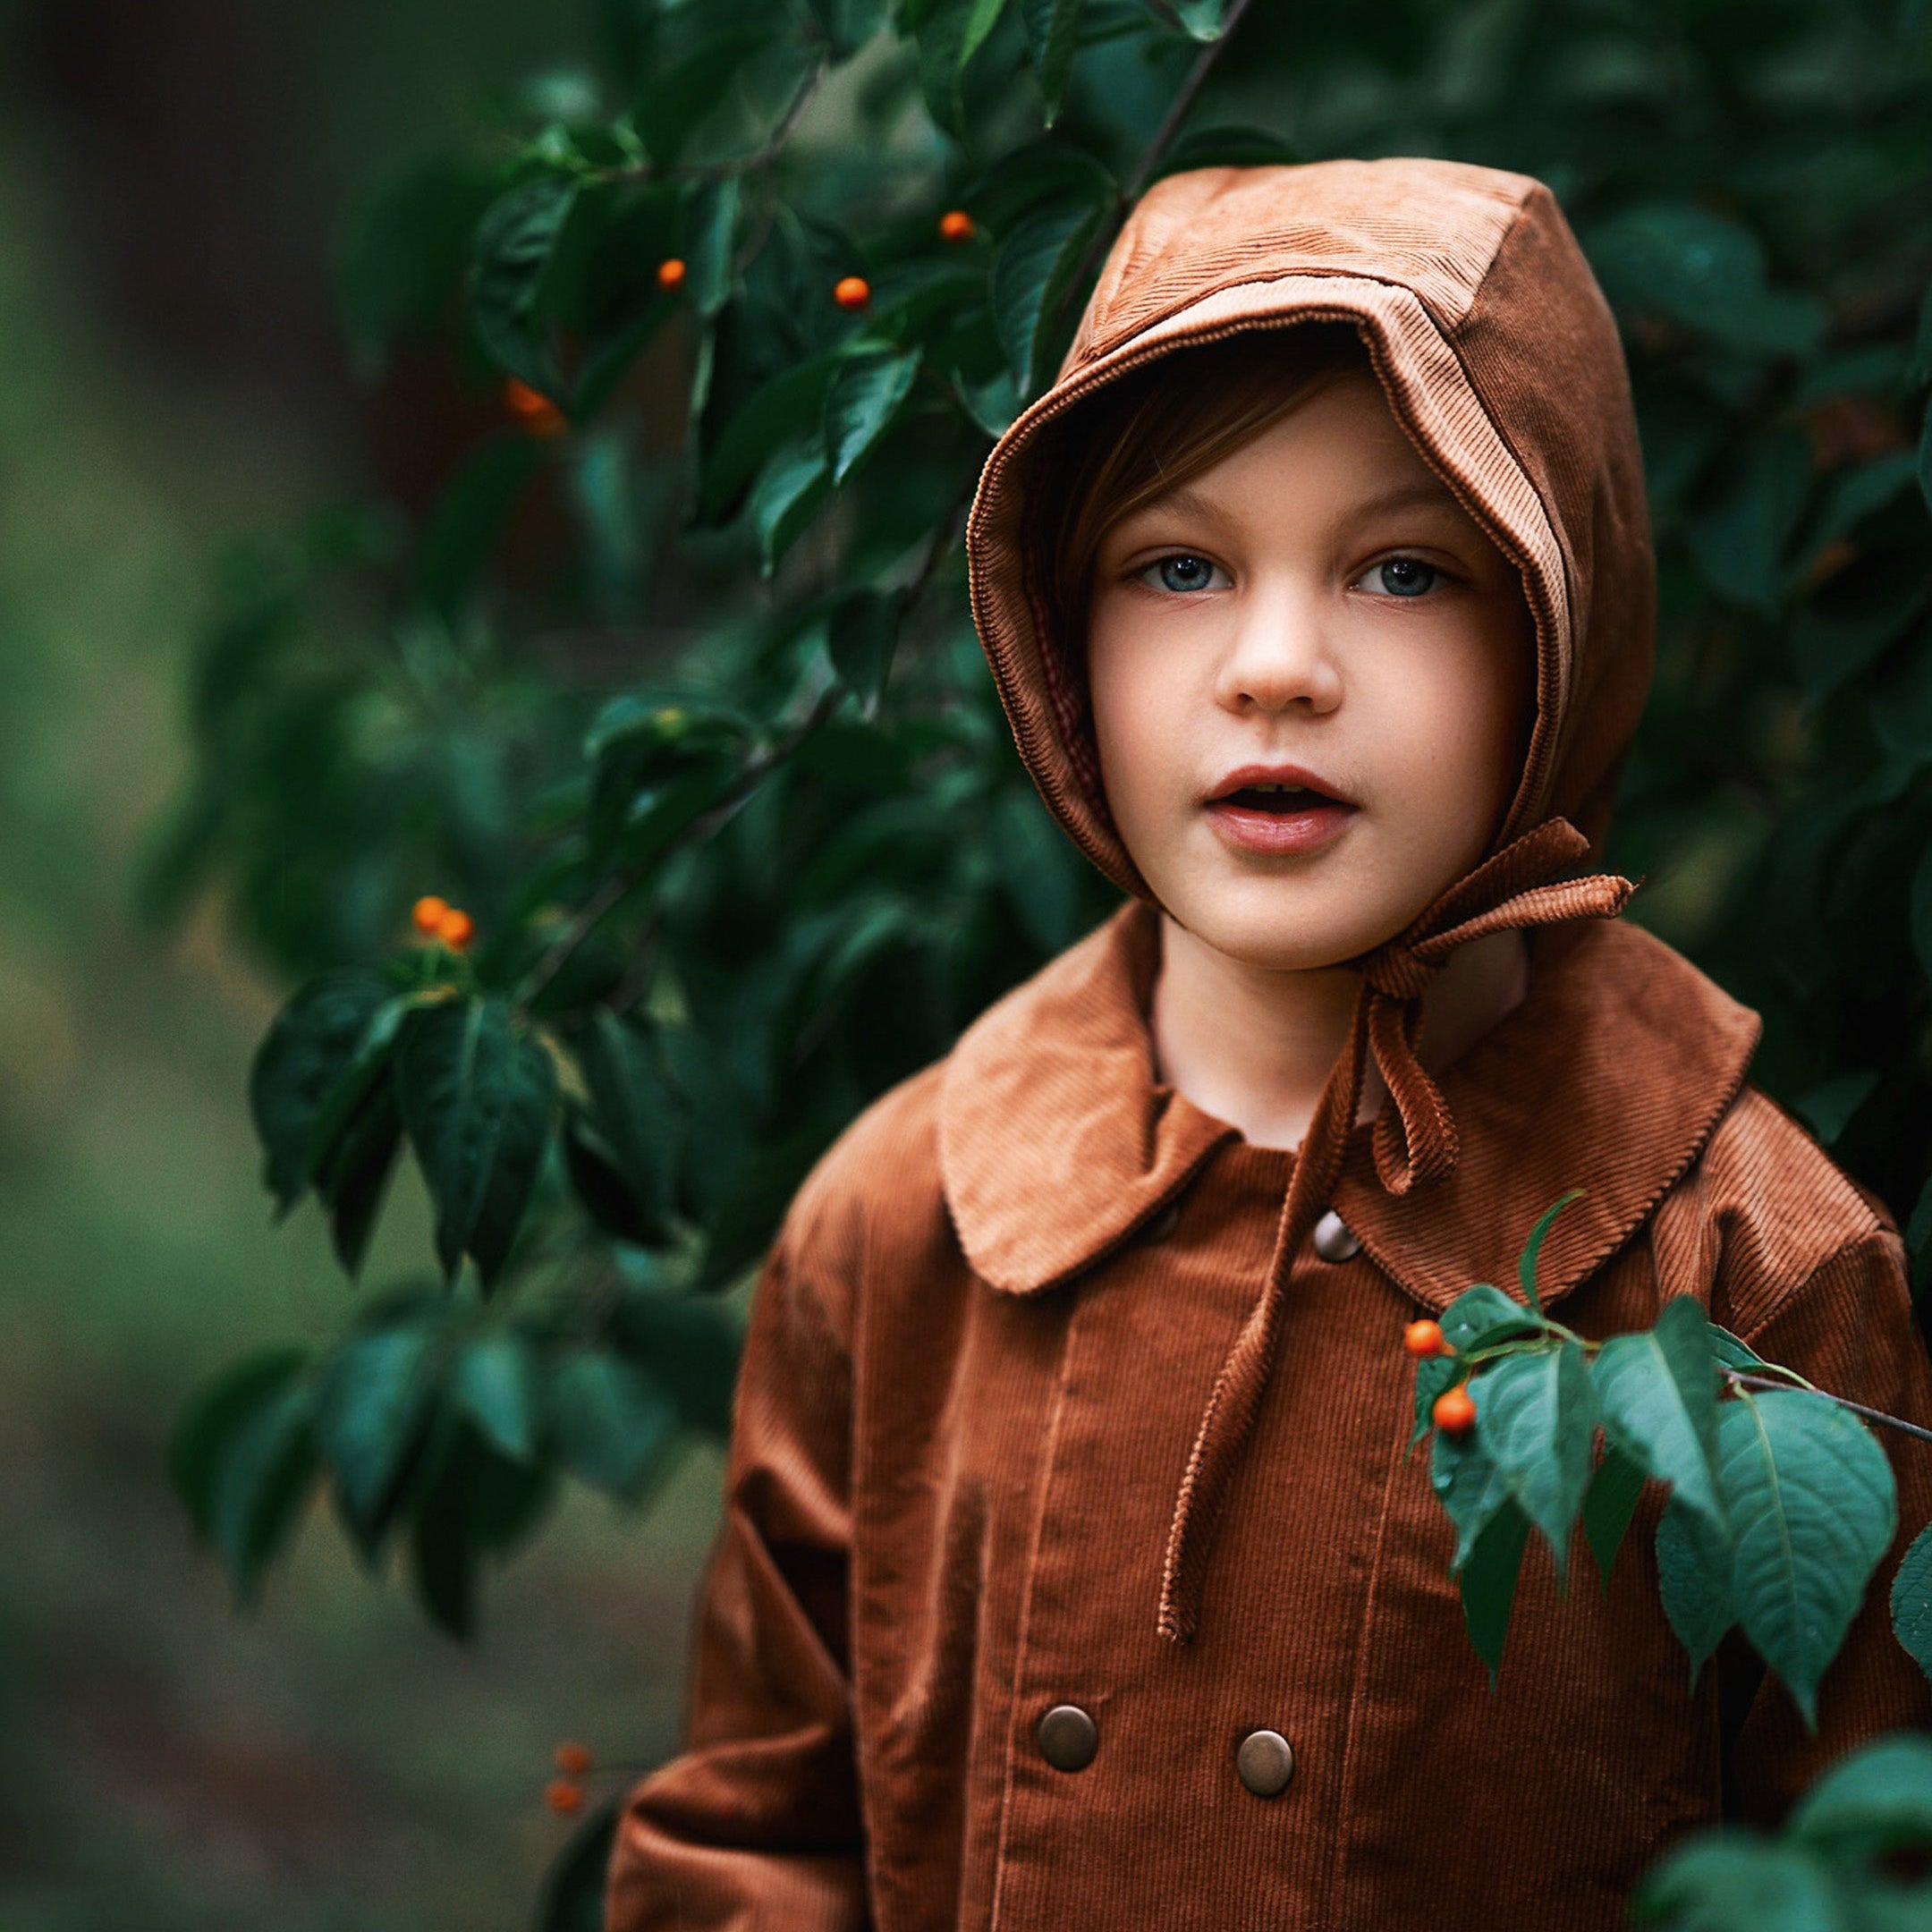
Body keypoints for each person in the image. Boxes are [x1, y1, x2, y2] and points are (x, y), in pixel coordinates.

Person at [605, 157, 1932, 1932]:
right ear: (1059, 636)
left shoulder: (1759, 1270)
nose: (1277, 666)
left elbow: (1860, 1866)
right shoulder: (904, 1221)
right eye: (1178, 565)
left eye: (1402, 567)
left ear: (1565, 619)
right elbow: (753, 1852)